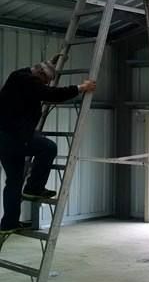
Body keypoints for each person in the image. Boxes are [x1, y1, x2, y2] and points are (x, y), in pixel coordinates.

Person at [0, 59, 96, 233]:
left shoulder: (19, 75)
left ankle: (9, 224)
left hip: (5, 140)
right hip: (16, 137)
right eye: (45, 80)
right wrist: (81, 88)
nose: (45, 84)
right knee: (48, 147)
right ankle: (33, 187)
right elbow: (52, 94)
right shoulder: (29, 81)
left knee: (13, 182)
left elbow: (39, 75)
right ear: (39, 75)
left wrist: (51, 61)